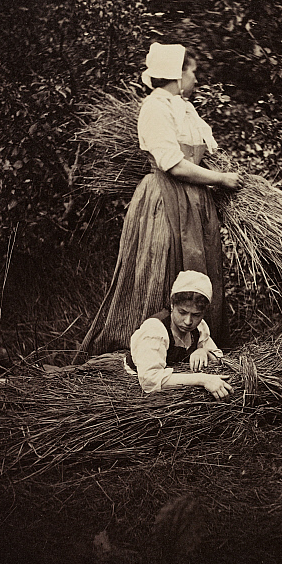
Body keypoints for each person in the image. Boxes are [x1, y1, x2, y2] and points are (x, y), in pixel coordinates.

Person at [79, 41, 243, 355]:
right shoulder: (155, 107)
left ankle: (197, 345)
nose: (196, 79)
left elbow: (203, 154)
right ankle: (150, 347)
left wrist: (221, 174)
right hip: (165, 199)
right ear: (178, 75)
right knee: (161, 268)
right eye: (192, 72)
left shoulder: (185, 108)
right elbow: (174, 165)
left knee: (197, 265)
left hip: (195, 202)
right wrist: (222, 180)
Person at [126, 271, 232, 401]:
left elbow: (219, 357)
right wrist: (202, 379)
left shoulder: (199, 328)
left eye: (196, 315)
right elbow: (149, 381)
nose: (188, 321)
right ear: (172, 305)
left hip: (176, 384)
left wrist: (203, 351)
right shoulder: (155, 330)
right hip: (140, 389)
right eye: (182, 312)